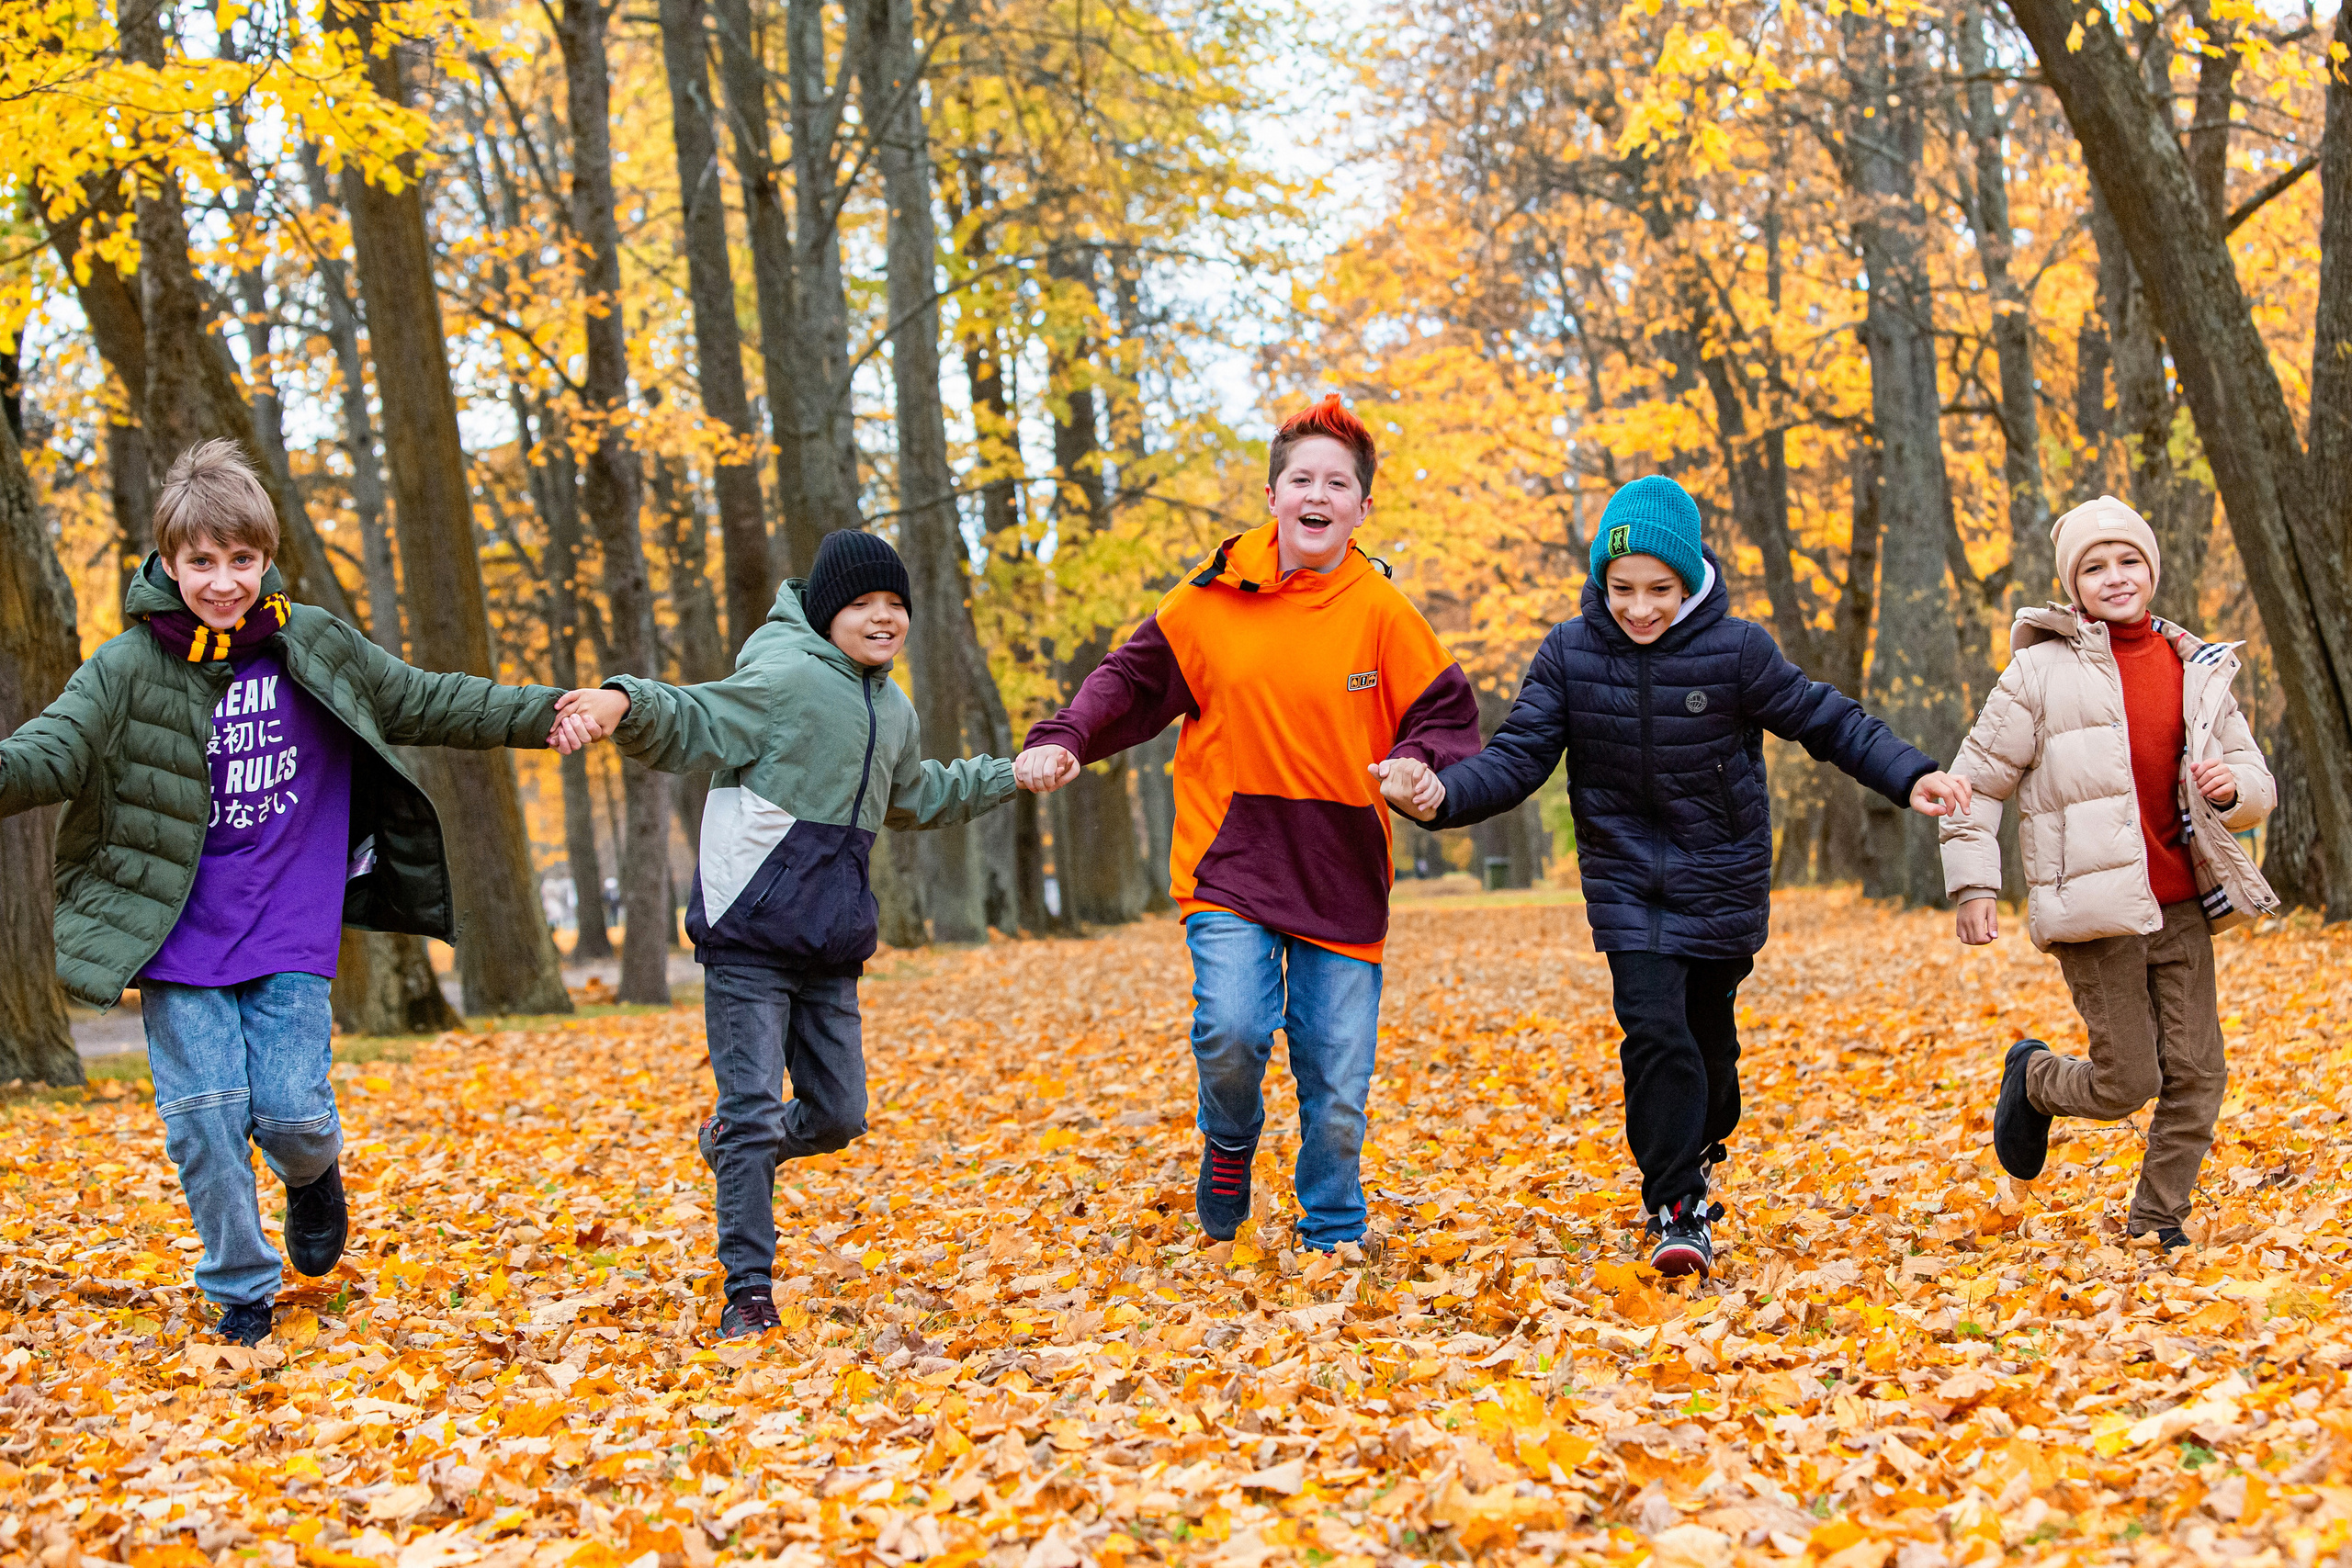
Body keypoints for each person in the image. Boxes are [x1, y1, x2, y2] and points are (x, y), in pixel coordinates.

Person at [0, 439, 593, 1345]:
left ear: (266, 559)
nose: (224, 581)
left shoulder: (314, 646)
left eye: (243, 560)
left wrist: (545, 711)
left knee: (292, 1114)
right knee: (204, 1119)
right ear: (167, 561)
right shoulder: (122, 670)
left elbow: (427, 699)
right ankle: (240, 1289)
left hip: (287, 924)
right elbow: (48, 754)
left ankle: (315, 1176)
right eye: (203, 562)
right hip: (179, 932)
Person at [1378, 476, 1972, 1278]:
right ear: (1601, 581)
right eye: (1621, 589)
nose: (1640, 608)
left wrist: (1910, 776)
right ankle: (1677, 1206)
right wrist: (1440, 793)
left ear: (1690, 580)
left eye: (1660, 589)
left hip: (1721, 878)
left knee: (1708, 1054)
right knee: (1655, 1034)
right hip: (1627, 883)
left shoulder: (1738, 651)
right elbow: (1518, 759)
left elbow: (1826, 719)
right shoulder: (1569, 654)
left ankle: (1700, 1130)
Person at [1014, 395, 1481, 1255]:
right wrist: (1066, 734)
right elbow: (1128, 682)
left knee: (1336, 1082)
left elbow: (1446, 714)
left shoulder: (1381, 609)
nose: (1317, 493)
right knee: (1231, 1028)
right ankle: (1230, 1141)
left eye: (1336, 483)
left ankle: (1332, 1233)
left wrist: (1420, 767)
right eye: (1300, 477)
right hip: (1230, 859)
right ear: (1272, 497)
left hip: (1341, 869)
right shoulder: (1209, 599)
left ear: (1361, 508)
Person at [552, 530, 1027, 1337]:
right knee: (753, 1107)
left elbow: (915, 795)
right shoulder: (781, 677)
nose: (883, 619)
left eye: (896, 606)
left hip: (830, 943)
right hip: (750, 938)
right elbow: (693, 717)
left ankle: (733, 1143)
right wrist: (621, 700)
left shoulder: (894, 707)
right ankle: (748, 1288)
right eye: (863, 604)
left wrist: (1010, 773)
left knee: (839, 1113)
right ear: (825, 611)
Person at [1940, 496, 2276, 1251]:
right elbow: (1976, 781)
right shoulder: (2038, 672)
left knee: (2197, 1071)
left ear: (2151, 569)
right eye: (2095, 566)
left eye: (2129, 560)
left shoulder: (2196, 669)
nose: (2115, 576)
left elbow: (2255, 777)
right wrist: (1973, 884)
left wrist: (2233, 789)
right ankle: (2032, 1078)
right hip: (2095, 911)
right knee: (2129, 1080)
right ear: (2073, 583)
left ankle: (2159, 1218)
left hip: (2182, 904)